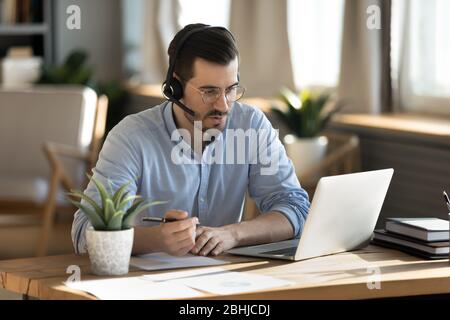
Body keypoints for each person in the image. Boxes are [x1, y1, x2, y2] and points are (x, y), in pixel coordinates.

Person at [72, 23, 310, 257]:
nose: (223, 105)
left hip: (226, 281)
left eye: (230, 89)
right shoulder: (131, 137)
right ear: (175, 87)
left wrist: (232, 234)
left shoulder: (252, 126)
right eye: (209, 91)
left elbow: (295, 209)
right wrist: (156, 239)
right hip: (146, 285)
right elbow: (85, 232)